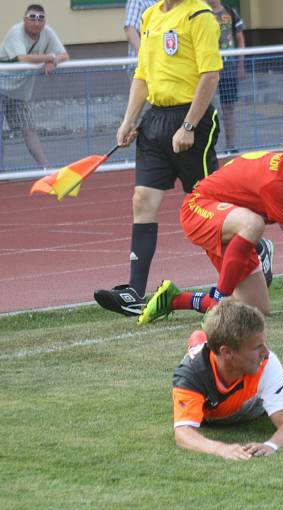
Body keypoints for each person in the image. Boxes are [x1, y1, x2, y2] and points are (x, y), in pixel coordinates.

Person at [137, 120, 283, 325]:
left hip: (234, 226)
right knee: (254, 223)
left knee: (256, 309)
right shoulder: (278, 182)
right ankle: (218, 302)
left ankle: (175, 299)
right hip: (199, 209)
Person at [93, 0, 223, 318]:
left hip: (191, 119)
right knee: (142, 201)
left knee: (206, 206)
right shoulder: (150, 16)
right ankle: (135, 292)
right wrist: (128, 121)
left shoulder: (199, 15)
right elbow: (143, 75)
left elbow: (210, 75)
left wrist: (189, 126)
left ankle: (249, 262)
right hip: (154, 121)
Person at [172, 298, 283, 459]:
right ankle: (198, 343)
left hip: (253, 404)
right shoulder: (190, 375)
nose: (266, 351)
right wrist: (221, 449)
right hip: (217, 397)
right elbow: (183, 433)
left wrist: (271, 445)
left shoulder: (266, 363)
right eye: (257, 346)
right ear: (226, 352)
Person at [0, 4, 68, 169]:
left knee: (29, 128)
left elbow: (64, 55)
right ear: (24, 20)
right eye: (32, 18)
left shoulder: (47, 32)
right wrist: (49, 57)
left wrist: (54, 62)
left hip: (20, 92)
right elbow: (22, 59)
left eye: (41, 19)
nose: (36, 22)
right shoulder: (16, 32)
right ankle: (2, 170)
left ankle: (46, 169)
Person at [207, 0, 246, 152]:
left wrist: (241, 65)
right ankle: (207, 145)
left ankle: (231, 145)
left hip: (228, 67)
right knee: (206, 107)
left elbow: (240, 39)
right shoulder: (201, 12)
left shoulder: (230, 12)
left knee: (229, 108)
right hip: (208, 68)